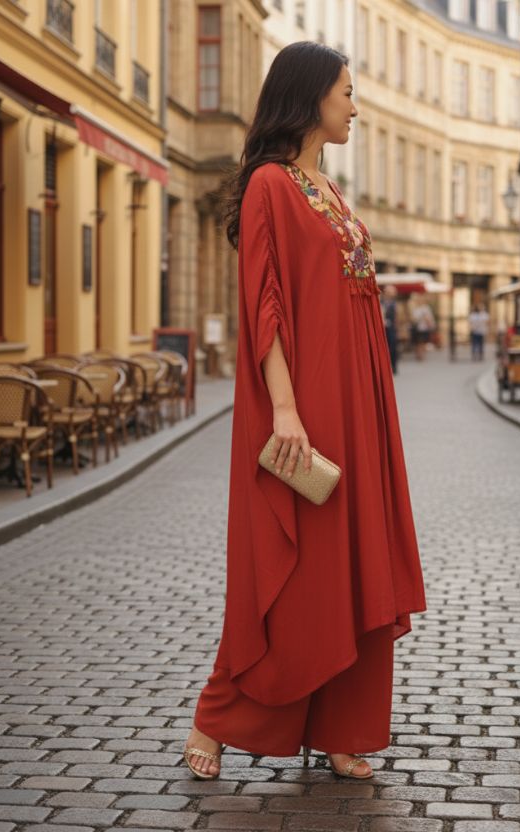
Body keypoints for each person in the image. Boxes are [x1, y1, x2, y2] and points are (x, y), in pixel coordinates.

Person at [183, 41, 427, 782]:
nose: (356, 106)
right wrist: (285, 411)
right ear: (313, 94)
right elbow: (265, 306)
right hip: (305, 408)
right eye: (348, 92)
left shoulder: (334, 194)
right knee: (292, 576)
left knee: (354, 567)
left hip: (361, 406)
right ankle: (217, 716)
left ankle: (343, 727)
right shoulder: (269, 186)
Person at [380, 283, 399, 374]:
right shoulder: (381, 302)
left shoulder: (394, 303)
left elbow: (397, 317)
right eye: (389, 291)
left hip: (391, 328)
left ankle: (393, 366)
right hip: (382, 328)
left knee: (392, 347)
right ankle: (384, 366)